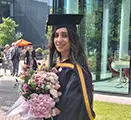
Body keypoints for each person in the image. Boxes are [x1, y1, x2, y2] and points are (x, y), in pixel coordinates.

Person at [46, 14, 95, 120]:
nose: (58, 40)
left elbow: (72, 106)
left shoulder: (76, 71)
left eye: (64, 35)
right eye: (56, 35)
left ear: (72, 39)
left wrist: (53, 111)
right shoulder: (56, 65)